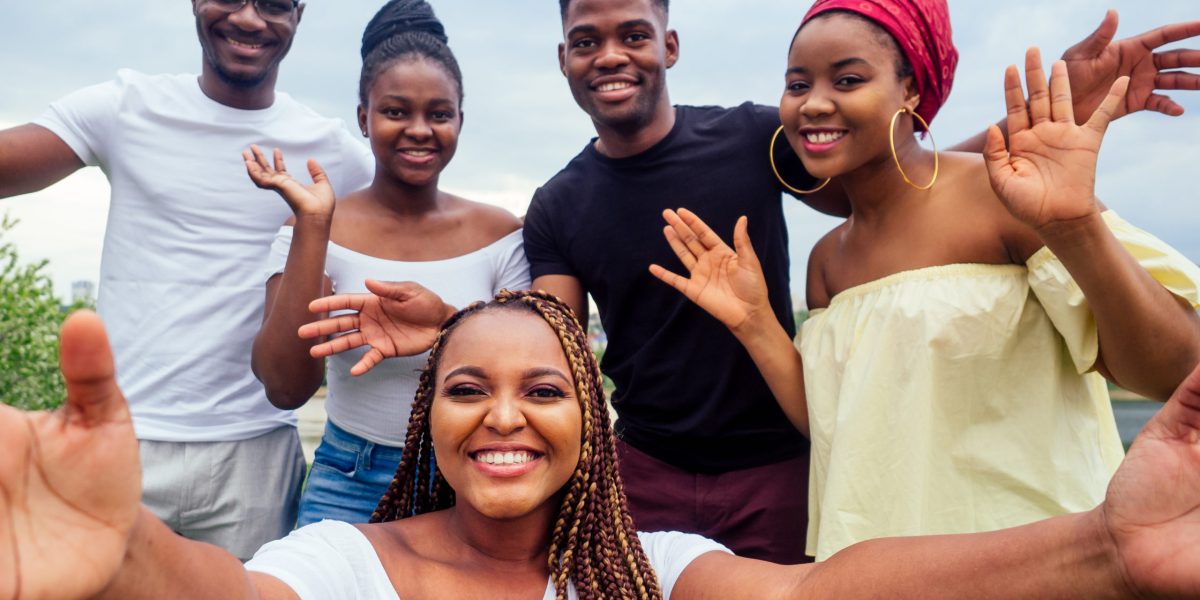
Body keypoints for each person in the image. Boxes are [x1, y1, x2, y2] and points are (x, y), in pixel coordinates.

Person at [516, 0, 1200, 564]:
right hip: (817, 538)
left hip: (1004, 545)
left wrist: (1049, 180)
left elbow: (899, 175)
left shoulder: (1000, 199)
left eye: (847, 80)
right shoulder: (827, 264)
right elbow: (835, 415)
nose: (816, 104)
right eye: (799, 83)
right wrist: (755, 321)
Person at [4, 291, 1200, 599]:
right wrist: (120, 557)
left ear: (595, 424)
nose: (507, 415)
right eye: (468, 388)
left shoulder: (646, 571)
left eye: (545, 389)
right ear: (432, 420)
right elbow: (225, 589)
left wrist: (1104, 550)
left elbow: (837, 587)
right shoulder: (349, 565)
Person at [0, 0, 374, 558]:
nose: (249, 20)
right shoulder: (124, 107)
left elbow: (417, 230)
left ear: (300, 11)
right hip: (122, 444)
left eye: (272, 3)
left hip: (254, 454)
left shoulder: (336, 153)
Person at [247, 0, 528, 527]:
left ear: (460, 121)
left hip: (473, 477)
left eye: (438, 114)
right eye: (396, 111)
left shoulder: (500, 234)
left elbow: (533, 371)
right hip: (350, 480)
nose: (419, 129)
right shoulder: (316, 225)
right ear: (364, 118)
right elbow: (285, 387)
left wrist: (449, 323)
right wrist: (313, 228)